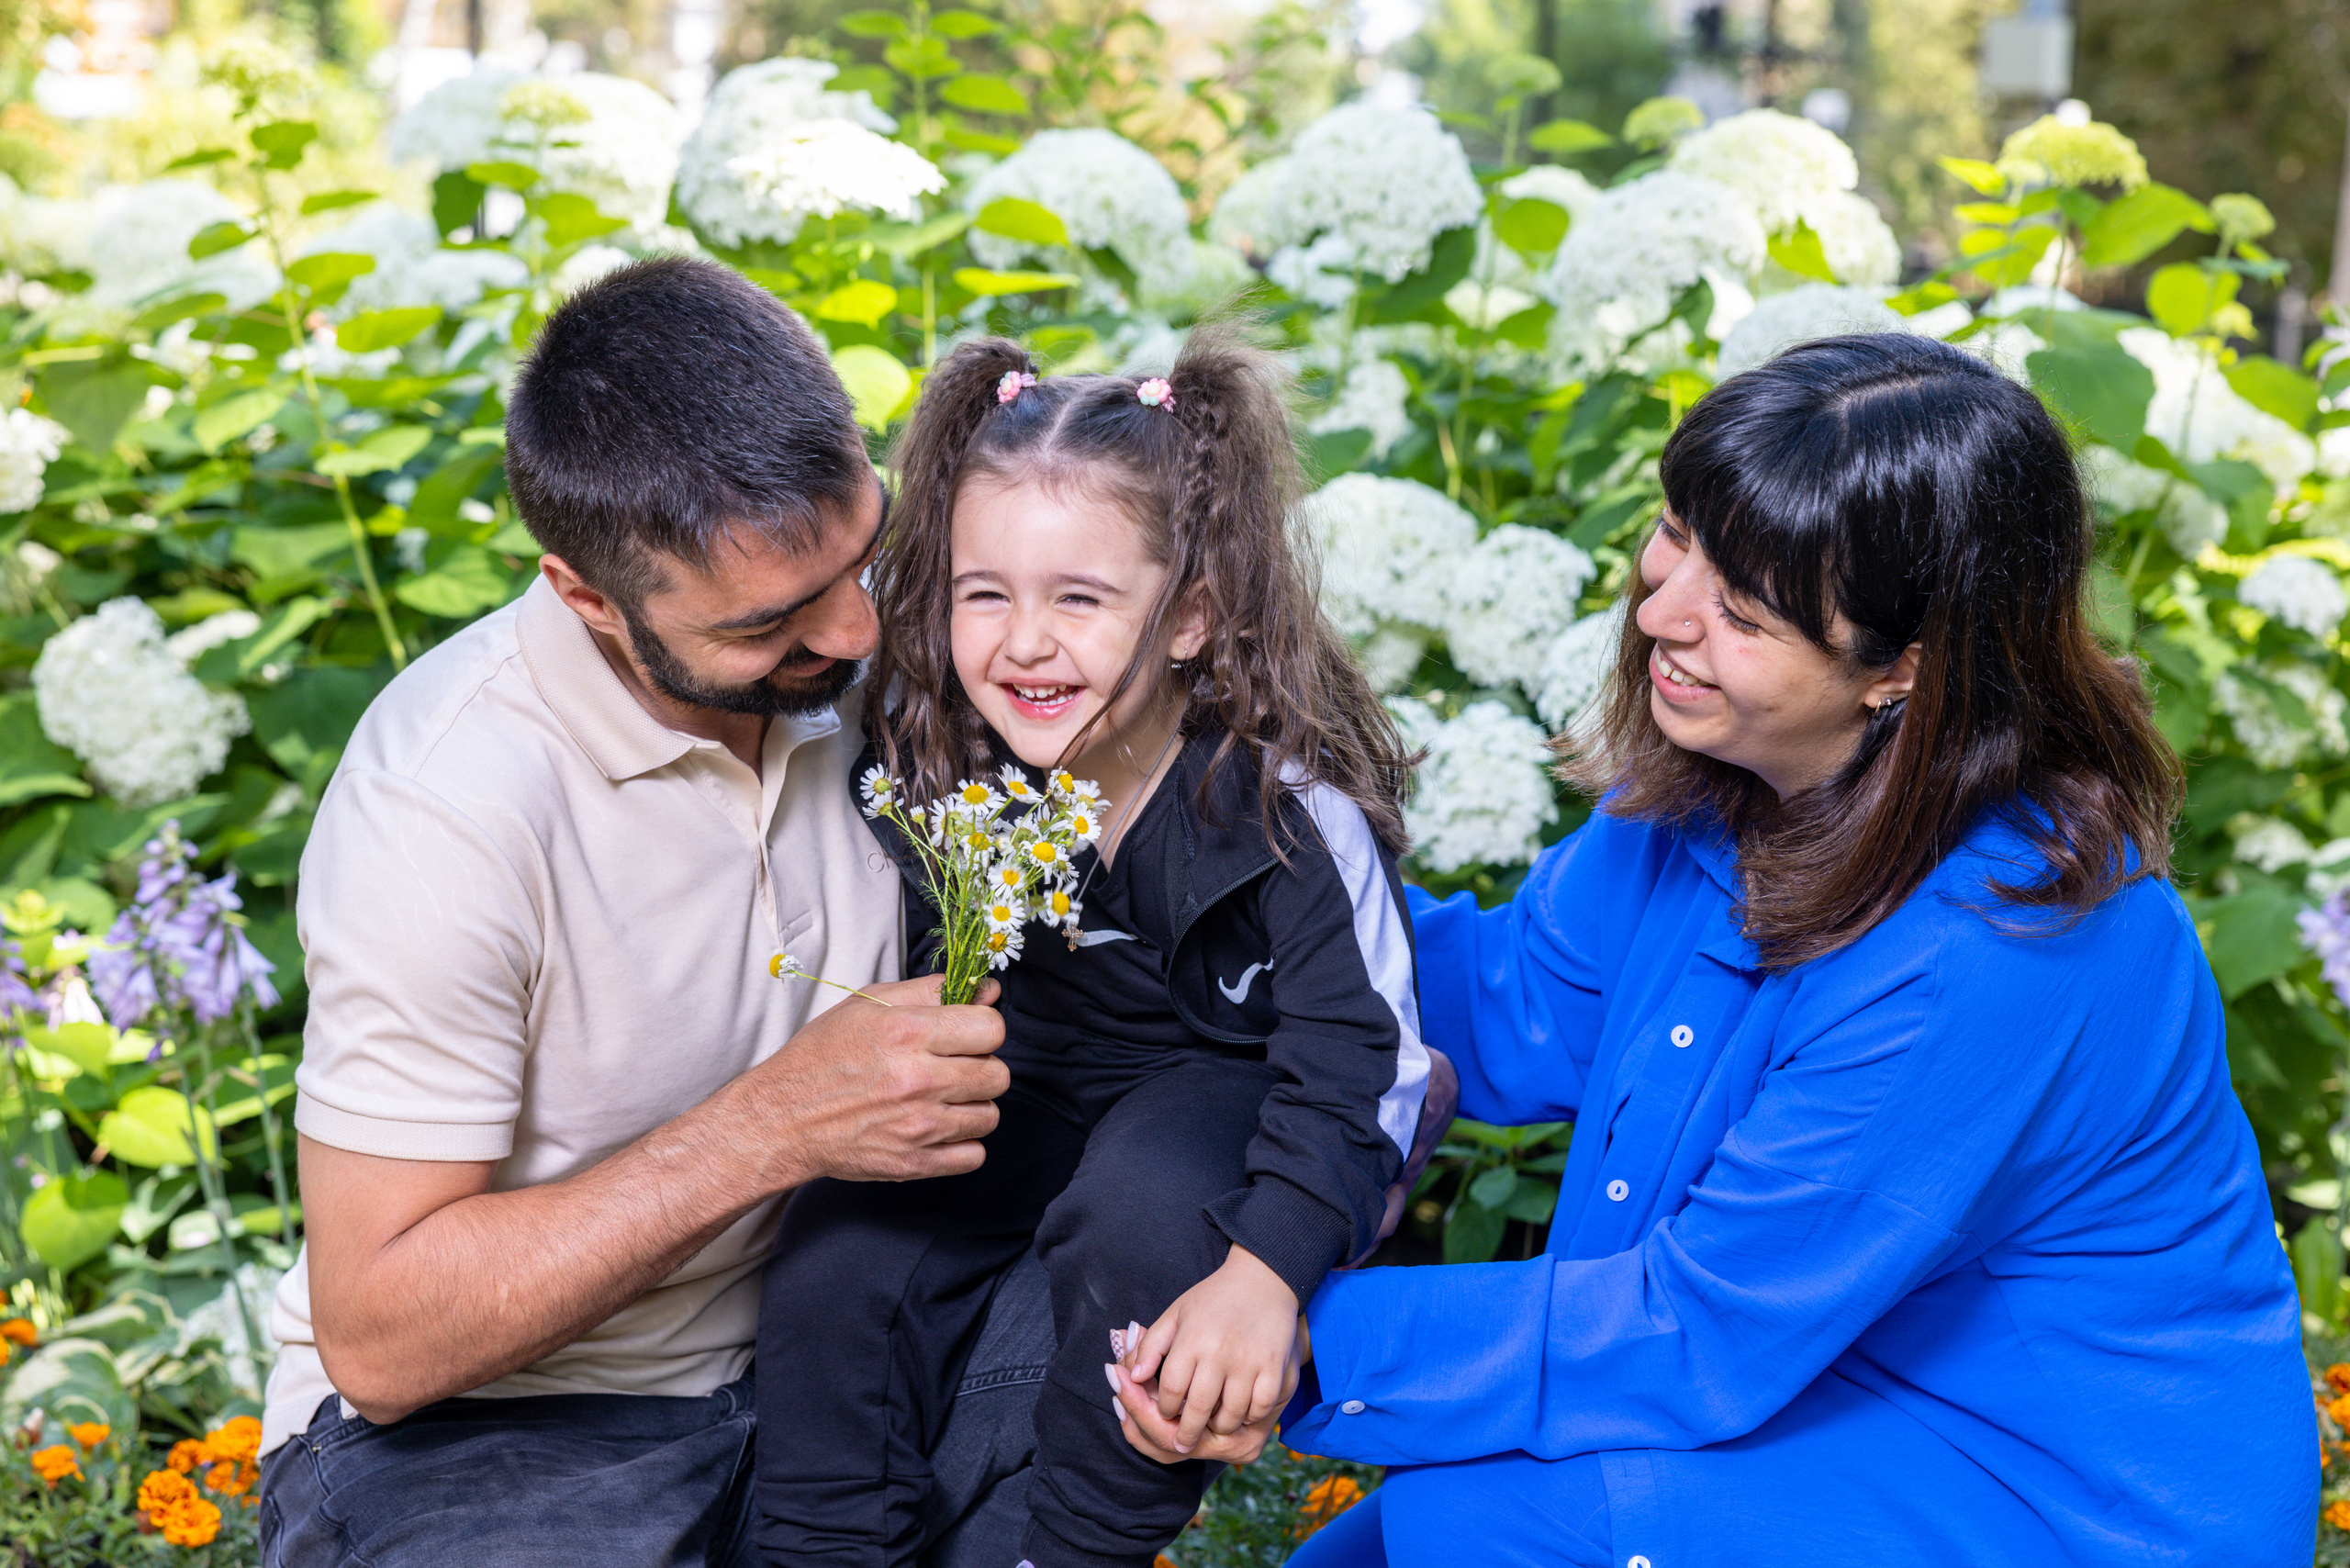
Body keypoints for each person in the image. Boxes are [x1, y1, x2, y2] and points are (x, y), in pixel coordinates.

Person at [1111, 332, 2315, 1565]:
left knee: (1472, 1530)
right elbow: (1510, 999)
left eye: (1741, 610)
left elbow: (1696, 1327)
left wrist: (1294, 1335)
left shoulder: (1996, 946)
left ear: (1905, 667)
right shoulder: (1730, 782)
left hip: (2052, 1493)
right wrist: (1182, 887)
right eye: (1675, 534)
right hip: (1814, 1382)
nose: (1660, 612)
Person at [259, 257, 1051, 1567]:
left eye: (865, 553)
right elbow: (381, 1337)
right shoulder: (445, 805)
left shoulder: (879, 650)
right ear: (588, 598)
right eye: (770, 623)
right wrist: (775, 1125)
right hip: (500, 1430)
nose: (858, 634)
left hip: (848, 1349)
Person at [753, 331, 1449, 1568]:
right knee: (838, 1256)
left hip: (1214, 1089)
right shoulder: (944, 763)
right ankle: (823, 1548)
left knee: (1139, 1218)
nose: (1024, 642)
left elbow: (1366, 1065)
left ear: (1192, 616)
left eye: (1078, 599)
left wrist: (1266, 1275)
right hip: (1030, 1084)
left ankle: (1070, 1546)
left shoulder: (1282, 814)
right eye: (984, 594)